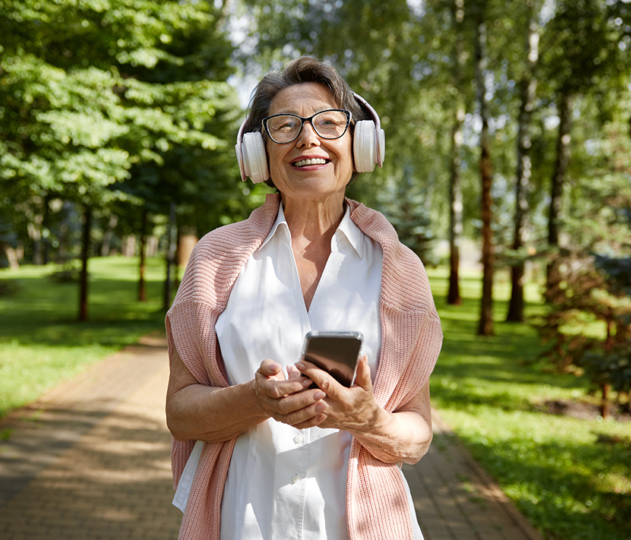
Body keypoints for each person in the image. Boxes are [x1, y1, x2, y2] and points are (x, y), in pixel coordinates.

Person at [165, 56, 443, 540]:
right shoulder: (216, 258)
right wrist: (252, 399)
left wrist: (368, 419)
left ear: (360, 145)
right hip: (243, 525)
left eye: (329, 123)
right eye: (285, 125)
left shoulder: (399, 270)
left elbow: (417, 433)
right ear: (258, 153)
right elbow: (180, 411)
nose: (308, 138)